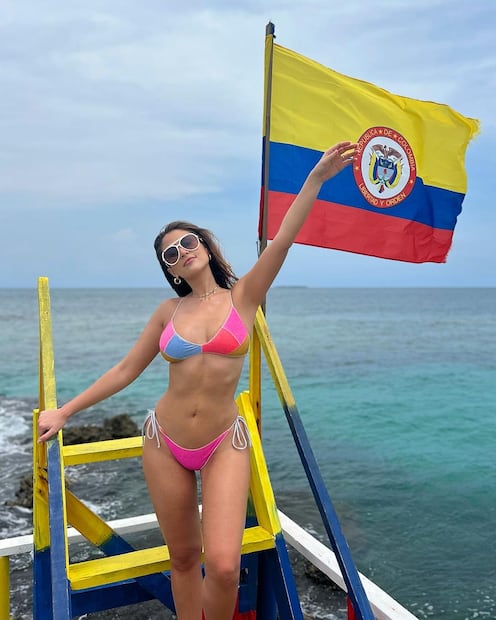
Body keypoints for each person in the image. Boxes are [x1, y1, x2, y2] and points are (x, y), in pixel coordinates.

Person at [38, 140, 357, 620]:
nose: (182, 251)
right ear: (169, 270)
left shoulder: (244, 297)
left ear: (206, 247)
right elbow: (126, 369)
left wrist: (315, 179)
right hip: (163, 441)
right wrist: (65, 411)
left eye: (188, 242)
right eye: (170, 253)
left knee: (225, 567)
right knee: (184, 559)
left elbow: (282, 241)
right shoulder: (168, 311)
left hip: (224, 442)